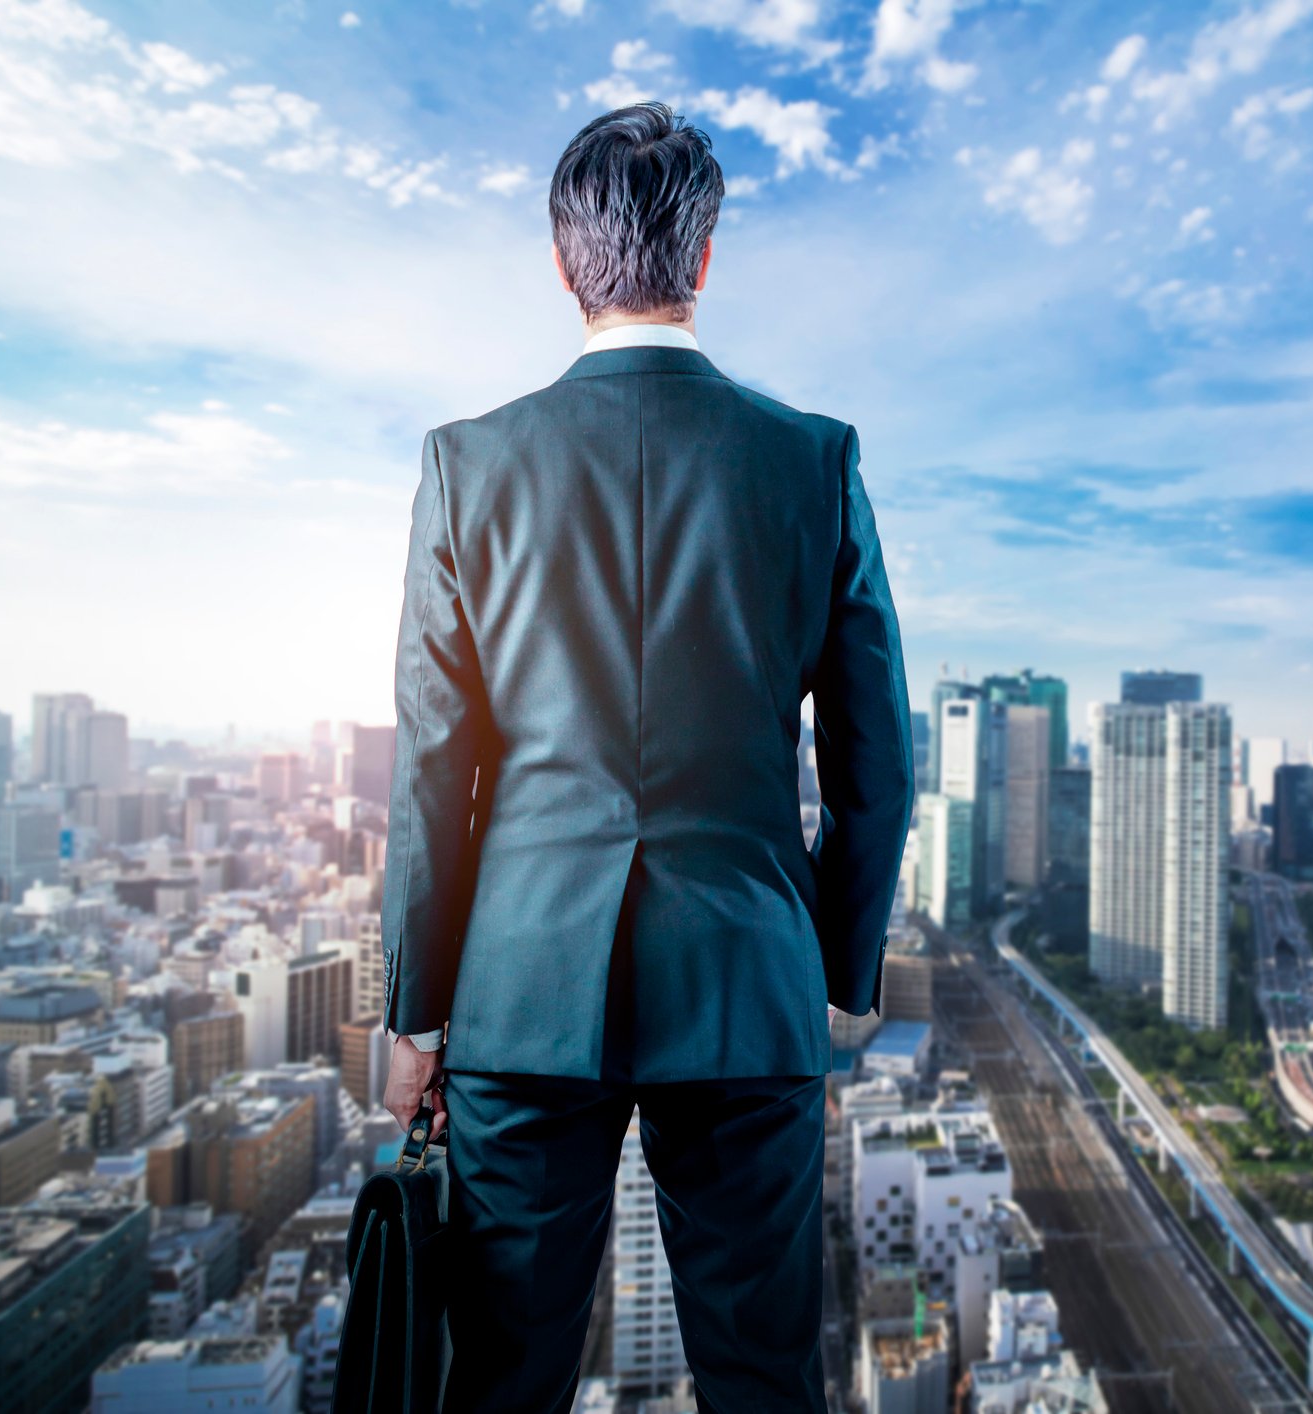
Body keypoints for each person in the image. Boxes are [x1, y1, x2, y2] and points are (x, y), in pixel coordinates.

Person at [377, 101, 914, 1413]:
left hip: (520, 992)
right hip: (746, 984)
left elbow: (437, 765)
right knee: (763, 1382)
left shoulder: (467, 465)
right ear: (707, 259)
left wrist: (413, 1006)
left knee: (498, 1380)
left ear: (563, 264)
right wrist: (834, 969)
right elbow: (875, 757)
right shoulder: (811, 460)